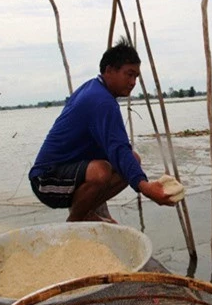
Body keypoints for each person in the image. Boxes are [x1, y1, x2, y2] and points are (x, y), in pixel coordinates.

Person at [29, 37, 176, 223]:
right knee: (101, 171)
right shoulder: (100, 101)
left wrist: (137, 177)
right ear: (109, 70)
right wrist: (145, 187)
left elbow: (119, 151)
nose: (133, 82)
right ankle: (76, 220)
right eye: (128, 74)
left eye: (136, 77)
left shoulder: (95, 89)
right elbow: (118, 148)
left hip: (68, 172)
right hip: (46, 180)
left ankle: (86, 211)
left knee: (133, 160)